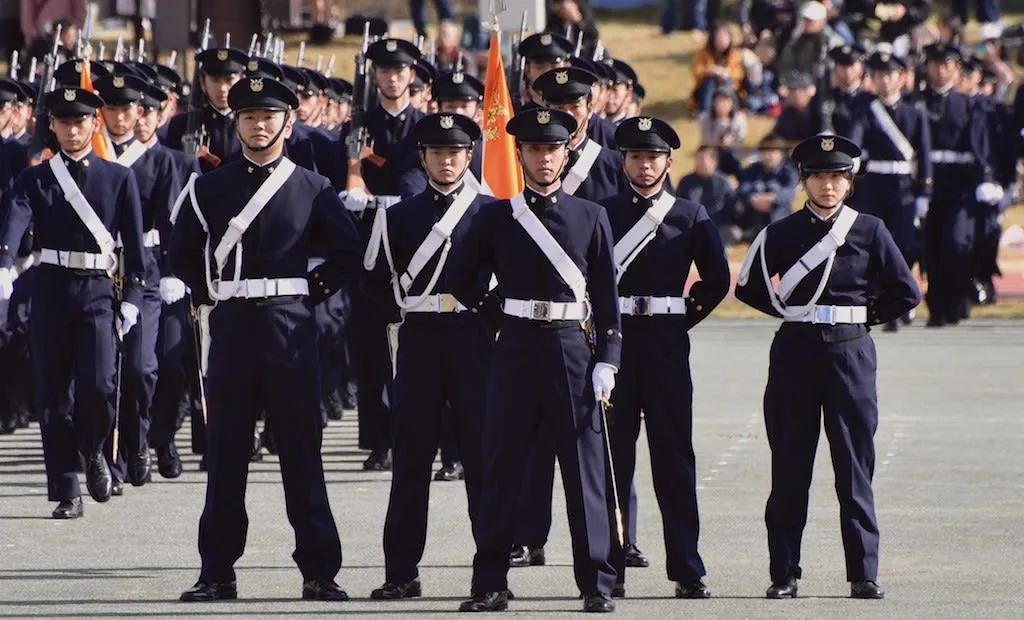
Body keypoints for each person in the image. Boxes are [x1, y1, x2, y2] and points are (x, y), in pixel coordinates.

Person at [170, 76, 361, 602]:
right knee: (226, 452)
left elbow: (348, 254)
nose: (259, 124)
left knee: (302, 452)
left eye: (269, 116)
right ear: (236, 123)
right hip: (232, 326)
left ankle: (320, 570)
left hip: (289, 329)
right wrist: (208, 291)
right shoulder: (209, 187)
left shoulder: (313, 188)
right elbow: (182, 252)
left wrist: (305, 297)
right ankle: (217, 572)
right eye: (249, 116)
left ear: (288, 122)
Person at [448, 107, 621, 613]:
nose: (545, 158)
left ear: (567, 152)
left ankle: (596, 584)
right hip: (517, 346)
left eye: (553, 149)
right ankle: (491, 583)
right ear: (519, 154)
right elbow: (461, 278)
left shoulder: (592, 216)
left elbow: (608, 300)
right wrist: (495, 317)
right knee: (503, 469)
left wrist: (607, 357)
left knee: (584, 472)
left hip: (572, 347)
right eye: (535, 149)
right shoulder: (495, 216)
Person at [735, 133, 920, 601]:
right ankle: (784, 573)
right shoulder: (780, 233)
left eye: (837, 177)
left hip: (851, 353)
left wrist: (861, 318)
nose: (828, 186)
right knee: (790, 468)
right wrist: (792, 313)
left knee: (854, 469)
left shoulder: (870, 230)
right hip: (795, 353)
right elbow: (750, 286)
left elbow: (905, 291)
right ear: (804, 180)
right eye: (819, 176)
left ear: (850, 182)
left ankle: (863, 574)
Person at [363, 112, 496, 600]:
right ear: (423, 157)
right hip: (418, 337)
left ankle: (490, 575)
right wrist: (397, 319)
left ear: (469, 156)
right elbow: (374, 285)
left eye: (456, 152)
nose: (446, 160)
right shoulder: (397, 216)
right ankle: (401, 572)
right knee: (411, 461)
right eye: (437, 153)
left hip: (474, 338)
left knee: (483, 461)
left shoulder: (492, 212)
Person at [0, 85, 148, 519]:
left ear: (93, 123)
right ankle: (67, 489)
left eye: (80, 121)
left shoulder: (119, 178)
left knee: (100, 386)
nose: (72, 129)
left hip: (99, 292)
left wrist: (133, 299)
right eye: (63, 122)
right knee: (53, 395)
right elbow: (16, 221)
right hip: (51, 289)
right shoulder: (35, 178)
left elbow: (135, 251)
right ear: (52, 126)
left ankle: (94, 448)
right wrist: (4, 266)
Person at [600, 116, 730, 600]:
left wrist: (680, 320)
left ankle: (687, 567)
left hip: (667, 347)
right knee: (614, 461)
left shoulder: (690, 216)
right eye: (636, 156)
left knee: (674, 458)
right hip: (614, 347)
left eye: (654, 157)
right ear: (624, 161)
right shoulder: (602, 213)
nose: (645, 164)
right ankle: (609, 570)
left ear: (668, 162)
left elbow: (715, 281)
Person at [94, 71, 181, 494]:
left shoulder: (160, 160)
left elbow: (172, 221)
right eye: (111, 108)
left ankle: (139, 441)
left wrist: (175, 272)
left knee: (142, 367)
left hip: (145, 269)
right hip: (98, 268)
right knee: (103, 372)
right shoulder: (91, 154)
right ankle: (108, 459)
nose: (122, 116)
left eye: (130, 109)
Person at [344, 37, 427, 471]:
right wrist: (352, 182)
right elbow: (347, 169)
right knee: (371, 347)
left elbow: (415, 177)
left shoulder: (424, 125)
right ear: (374, 75)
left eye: (400, 70)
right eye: (384, 70)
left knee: (416, 348)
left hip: (412, 243)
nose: (393, 77)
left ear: (411, 75)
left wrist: (388, 198)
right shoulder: (359, 123)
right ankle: (379, 441)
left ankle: (416, 436)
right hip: (367, 248)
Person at [846, 50, 931, 332]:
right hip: (874, 185)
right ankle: (880, 300)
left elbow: (924, 156)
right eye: (879, 75)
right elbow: (855, 141)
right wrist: (852, 160)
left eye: (890, 74)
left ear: (902, 78)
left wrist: (924, 193)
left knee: (905, 244)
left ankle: (905, 296)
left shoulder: (914, 113)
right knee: (873, 246)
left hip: (904, 187)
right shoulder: (866, 110)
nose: (884, 80)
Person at [914, 43, 993, 328]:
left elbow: (979, 146)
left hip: (959, 183)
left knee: (957, 242)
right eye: (936, 64)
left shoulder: (968, 103)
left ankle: (957, 299)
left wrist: (984, 179)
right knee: (932, 245)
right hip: (927, 181)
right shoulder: (917, 102)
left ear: (956, 69)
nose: (941, 70)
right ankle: (937, 304)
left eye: (947, 64)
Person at [165, 47, 247, 172]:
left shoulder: (249, 122)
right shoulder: (181, 125)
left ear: (241, 80)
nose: (222, 88)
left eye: (229, 80)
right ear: (203, 82)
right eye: (215, 80)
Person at [735, 134, 799, 240]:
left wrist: (773, 199)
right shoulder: (752, 169)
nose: (768, 156)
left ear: (781, 154)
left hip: (779, 219)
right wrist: (752, 198)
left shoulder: (788, 172)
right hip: (753, 218)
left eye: (773, 152)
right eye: (765, 152)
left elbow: (790, 192)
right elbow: (743, 187)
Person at [676, 145, 739, 243]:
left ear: (714, 162)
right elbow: (680, 207)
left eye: (702, 159)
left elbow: (730, 209)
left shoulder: (723, 182)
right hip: (692, 227)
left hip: (718, 226)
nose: (698, 163)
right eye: (697, 159)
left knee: (734, 232)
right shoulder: (686, 181)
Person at [690, 22, 746, 111]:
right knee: (710, 81)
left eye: (724, 38)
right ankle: (706, 112)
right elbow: (697, 71)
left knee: (727, 82)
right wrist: (710, 71)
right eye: (718, 38)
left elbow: (740, 74)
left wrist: (727, 73)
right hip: (707, 87)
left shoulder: (735, 54)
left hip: (729, 86)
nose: (722, 41)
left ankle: (730, 111)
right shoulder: (703, 53)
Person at [697, 87, 746, 176]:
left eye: (726, 101)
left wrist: (731, 141)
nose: (722, 105)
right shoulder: (705, 118)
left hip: (732, 152)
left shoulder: (739, 119)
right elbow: (705, 140)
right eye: (719, 101)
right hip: (713, 152)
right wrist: (719, 143)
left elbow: (741, 139)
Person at [822, 44, 865, 136]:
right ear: (835, 68)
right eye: (842, 65)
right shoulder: (827, 97)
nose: (847, 71)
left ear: (861, 67)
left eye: (851, 65)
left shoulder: (869, 99)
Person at [772, 71, 825, 141]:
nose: (795, 94)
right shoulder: (787, 113)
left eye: (801, 89)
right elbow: (777, 135)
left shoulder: (819, 112)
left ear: (809, 91)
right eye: (791, 89)